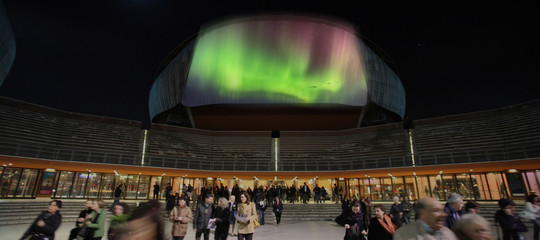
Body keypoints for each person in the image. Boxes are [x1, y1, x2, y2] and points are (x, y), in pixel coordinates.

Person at [393, 197, 458, 240]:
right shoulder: (404, 234)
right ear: (422, 213)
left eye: (442, 210)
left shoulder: (448, 233)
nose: (444, 215)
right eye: (436, 210)